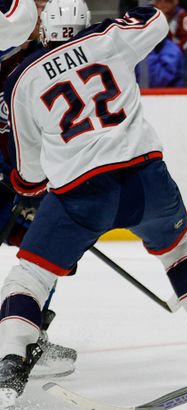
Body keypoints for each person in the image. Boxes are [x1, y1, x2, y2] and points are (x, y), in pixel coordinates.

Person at [0, 0, 187, 407]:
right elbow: (156, 19)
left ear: (43, 31)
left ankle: (11, 364)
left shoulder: (21, 79)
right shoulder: (108, 38)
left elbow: (30, 172)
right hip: (147, 179)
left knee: (30, 277)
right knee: (179, 249)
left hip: (81, 194)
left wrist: (31, 186)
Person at [0, 0, 77, 379]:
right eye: (40, 5)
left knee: (46, 256)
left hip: (32, 180)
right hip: (7, 177)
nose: (44, 12)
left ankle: (29, 333)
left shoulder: (43, 62)